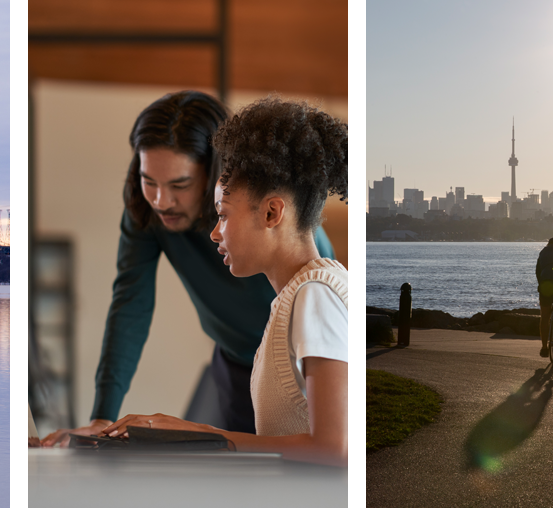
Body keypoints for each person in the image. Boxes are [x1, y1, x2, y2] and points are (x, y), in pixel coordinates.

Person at [38, 91, 334, 447]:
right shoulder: (147, 213)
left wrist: (206, 432)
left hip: (300, 366)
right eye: (149, 181)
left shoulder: (309, 279)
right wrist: (102, 417)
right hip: (238, 364)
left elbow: (331, 448)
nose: (162, 201)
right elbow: (130, 304)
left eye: (180, 185)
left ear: (216, 174)